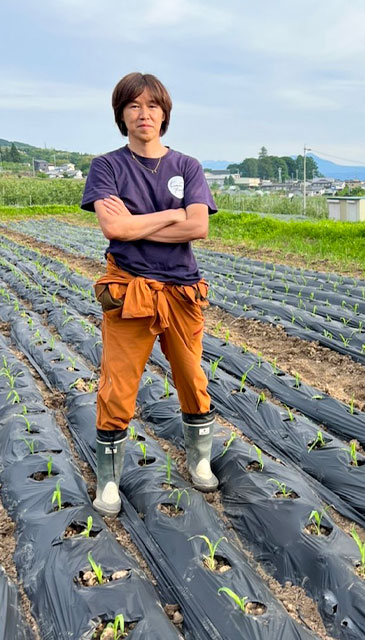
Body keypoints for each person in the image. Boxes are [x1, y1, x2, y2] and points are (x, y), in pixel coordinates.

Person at [81, 72, 218, 517]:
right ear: (122, 114)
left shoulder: (187, 166)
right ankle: (108, 483)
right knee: (118, 386)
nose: (145, 114)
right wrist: (171, 215)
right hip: (129, 289)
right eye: (134, 106)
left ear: (165, 113)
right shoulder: (108, 166)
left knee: (191, 380)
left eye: (153, 106)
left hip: (182, 291)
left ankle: (199, 460)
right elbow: (114, 228)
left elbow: (198, 226)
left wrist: (141, 221)